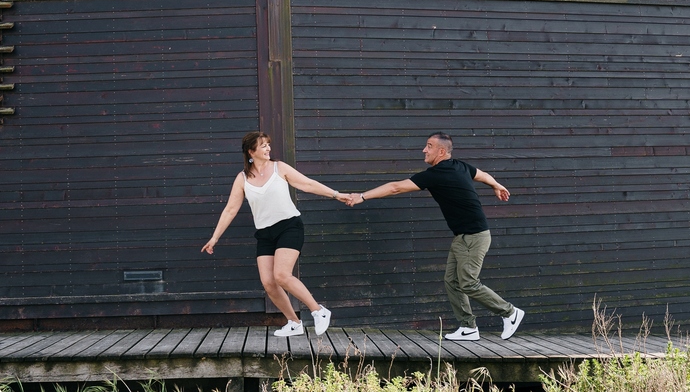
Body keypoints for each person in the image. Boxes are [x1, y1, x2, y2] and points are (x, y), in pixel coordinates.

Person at [346, 132, 524, 341]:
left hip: (474, 236)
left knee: (468, 283)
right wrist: (496, 185)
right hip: (463, 237)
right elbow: (483, 175)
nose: (424, 150)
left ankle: (510, 312)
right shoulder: (461, 166)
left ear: (441, 151)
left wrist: (362, 196)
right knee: (452, 281)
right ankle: (468, 327)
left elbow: (395, 187)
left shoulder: (436, 174)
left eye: (428, 146)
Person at [202, 131, 345, 337]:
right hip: (264, 233)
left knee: (281, 275)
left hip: (289, 226)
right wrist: (214, 238)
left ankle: (319, 311)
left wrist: (336, 194)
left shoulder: (279, 168)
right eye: (263, 146)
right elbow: (230, 210)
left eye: (268, 144)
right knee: (269, 283)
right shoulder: (242, 178)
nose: (268, 148)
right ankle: (294, 323)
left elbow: (307, 184)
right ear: (251, 151)